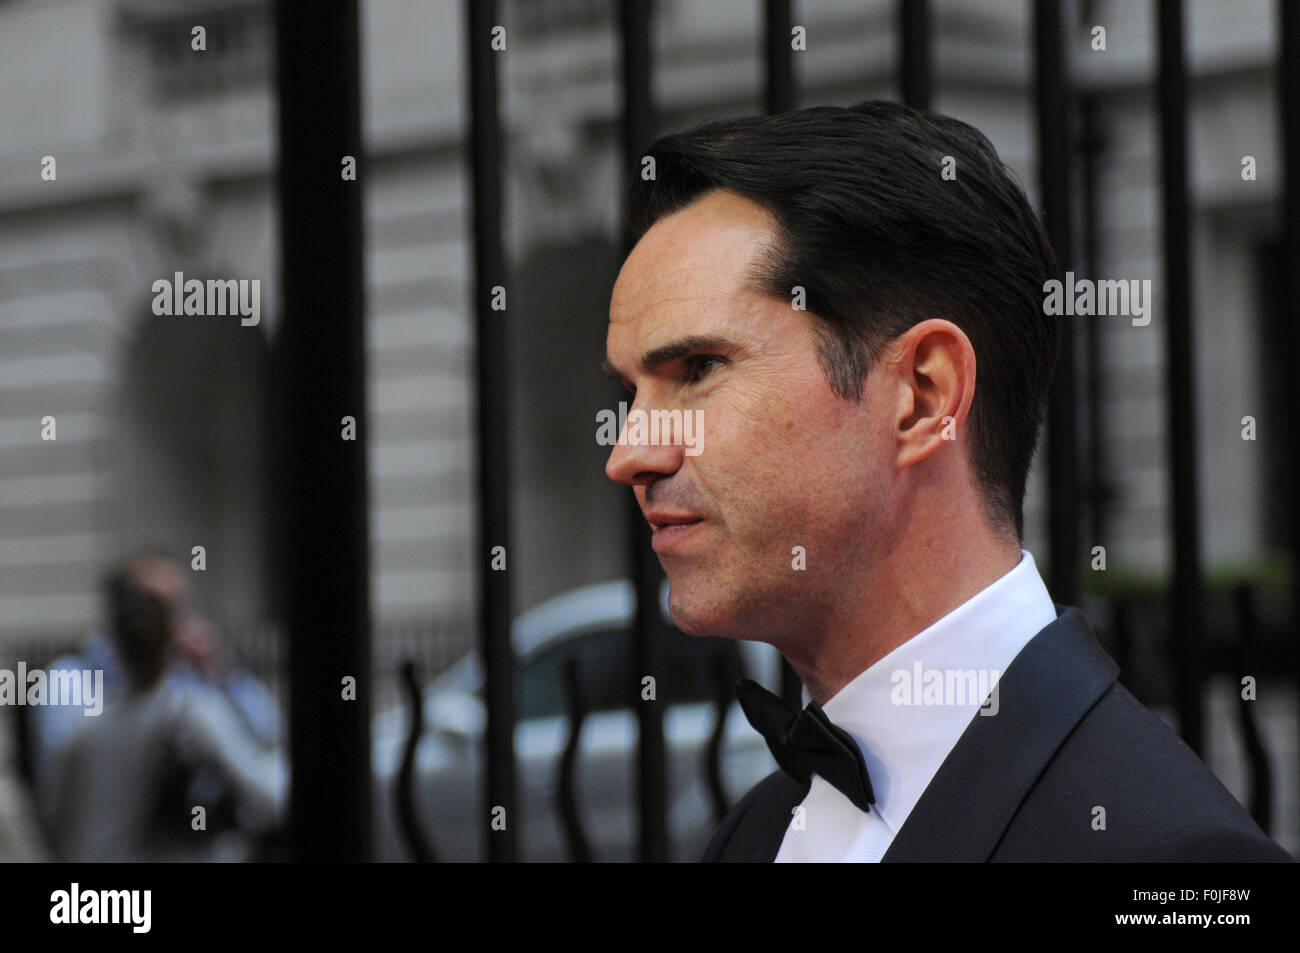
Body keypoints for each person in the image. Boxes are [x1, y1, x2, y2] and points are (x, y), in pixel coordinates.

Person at [600, 100, 1291, 862]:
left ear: (924, 396)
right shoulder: (753, 835)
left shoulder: (1172, 857)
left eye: (698, 369)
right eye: (630, 394)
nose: (631, 452)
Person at [49, 569, 286, 861]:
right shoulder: (190, 714)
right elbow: (266, 795)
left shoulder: (89, 730)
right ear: (169, 639)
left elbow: (60, 820)